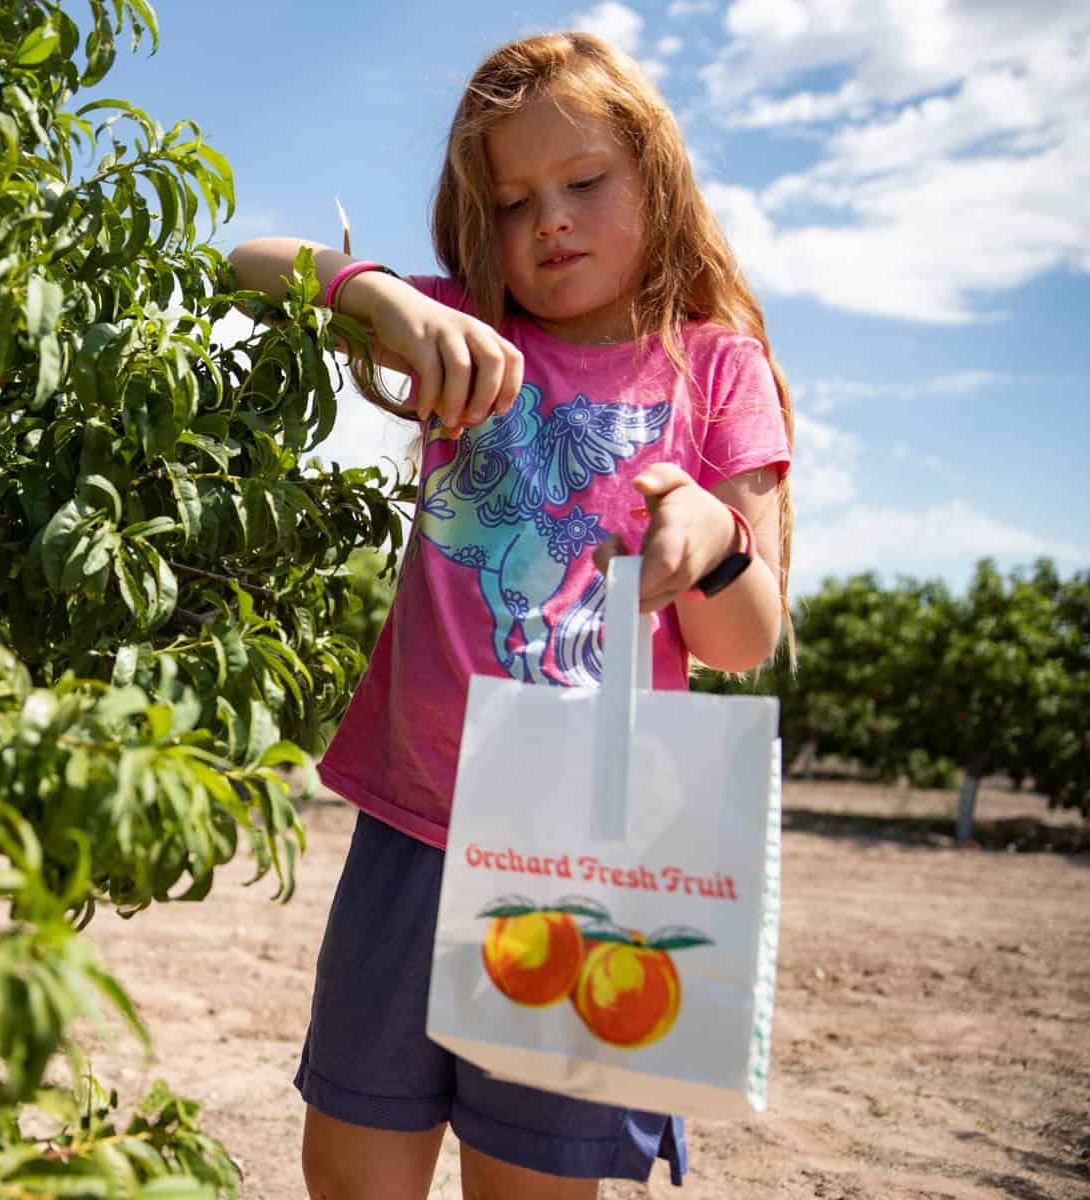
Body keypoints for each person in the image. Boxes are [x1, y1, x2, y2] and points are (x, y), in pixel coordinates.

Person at [227, 30, 795, 1200]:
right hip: (415, 825)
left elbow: (746, 642)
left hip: (590, 853)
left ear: (659, 180)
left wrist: (713, 543)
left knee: (530, 1183)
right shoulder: (465, 342)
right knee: (351, 1162)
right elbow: (248, 263)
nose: (552, 222)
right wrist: (374, 294)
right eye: (514, 201)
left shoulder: (713, 369)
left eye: (585, 184)